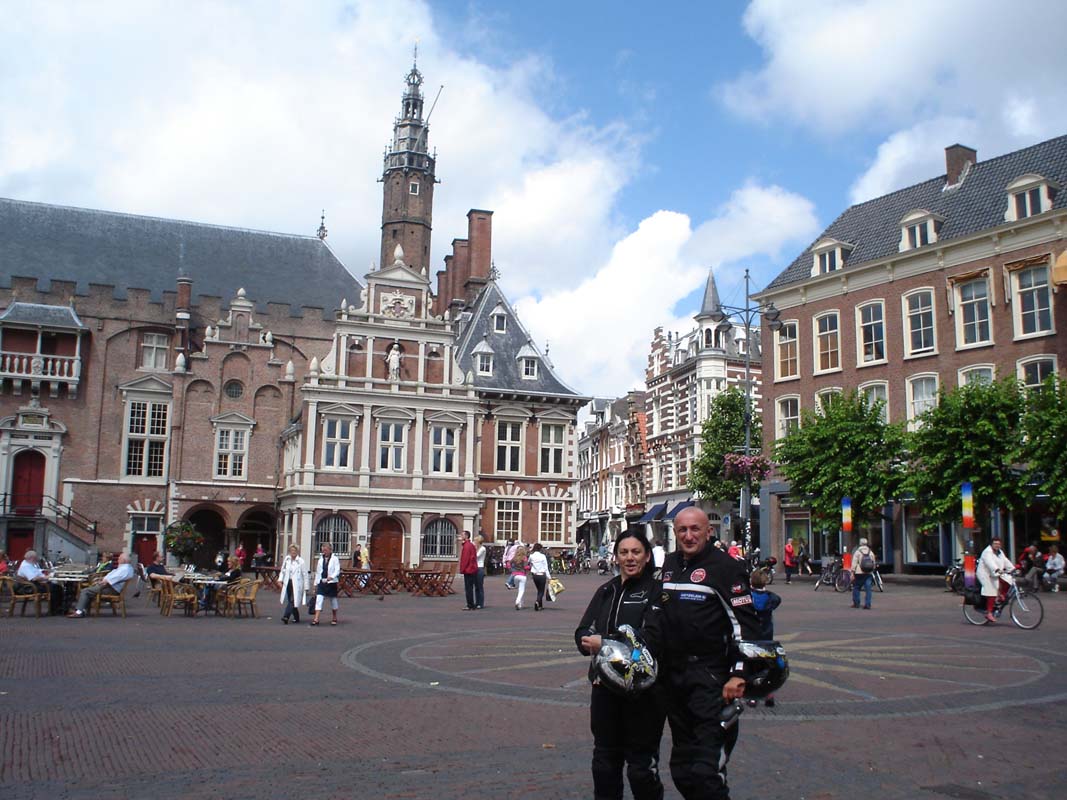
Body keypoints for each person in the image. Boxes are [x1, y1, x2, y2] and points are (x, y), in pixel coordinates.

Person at [642, 507, 761, 800]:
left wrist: (739, 673)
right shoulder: (670, 564)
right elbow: (656, 615)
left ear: (709, 532)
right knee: (682, 770)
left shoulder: (726, 568)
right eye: (682, 530)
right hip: (674, 679)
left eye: (695, 529)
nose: (688, 536)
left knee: (706, 773)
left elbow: (746, 626)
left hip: (711, 678)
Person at [574, 530, 666, 800]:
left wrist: (604, 642)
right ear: (615, 557)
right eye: (624, 552)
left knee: (641, 768)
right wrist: (584, 640)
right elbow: (583, 629)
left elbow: (652, 637)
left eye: (636, 552)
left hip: (643, 692)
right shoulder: (607, 590)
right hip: (604, 688)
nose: (629, 558)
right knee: (604, 761)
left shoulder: (656, 591)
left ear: (647, 556)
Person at [748, 570, 781, 708]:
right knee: (767, 664)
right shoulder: (771, 597)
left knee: (752, 664)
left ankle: (753, 696)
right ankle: (769, 693)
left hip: (752, 634)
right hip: (767, 635)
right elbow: (778, 600)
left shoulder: (749, 597)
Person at [67, 554, 135, 618]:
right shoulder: (127, 568)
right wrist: (102, 580)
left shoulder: (124, 569)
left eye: (119, 558)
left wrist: (101, 582)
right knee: (89, 589)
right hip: (111, 587)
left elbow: (111, 579)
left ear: (123, 560)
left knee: (85, 591)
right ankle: (82, 609)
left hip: (111, 589)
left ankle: (79, 612)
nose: (118, 560)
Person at [978, 537, 1015, 623]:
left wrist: (1013, 569)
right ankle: (989, 613)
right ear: (991, 544)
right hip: (986, 574)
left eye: (998, 544)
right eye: (995, 544)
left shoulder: (1000, 552)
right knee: (991, 591)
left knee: (1008, 580)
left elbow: (1005, 561)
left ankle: (1000, 595)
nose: (997, 545)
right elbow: (990, 563)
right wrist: (997, 569)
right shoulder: (987, 552)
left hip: (995, 573)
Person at [311, 542, 341, 626]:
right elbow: (318, 572)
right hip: (322, 582)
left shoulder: (335, 559)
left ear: (330, 550)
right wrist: (315, 584)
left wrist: (332, 577)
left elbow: (337, 570)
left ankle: (334, 617)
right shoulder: (321, 559)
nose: (324, 552)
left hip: (331, 583)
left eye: (326, 550)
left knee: (333, 600)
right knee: (319, 599)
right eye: (323, 550)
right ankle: (316, 619)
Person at [279, 544, 306, 624]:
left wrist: (306, 586)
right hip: (288, 582)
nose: (293, 552)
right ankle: (296, 617)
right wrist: (280, 580)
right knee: (291, 600)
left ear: (297, 552)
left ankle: (286, 616)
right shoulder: (287, 560)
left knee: (292, 600)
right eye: (292, 550)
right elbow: (282, 571)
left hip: (297, 583)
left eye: (295, 550)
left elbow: (305, 574)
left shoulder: (301, 561)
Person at [851, 538, 876, 609]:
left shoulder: (857, 552)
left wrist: (852, 572)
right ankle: (867, 604)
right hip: (868, 573)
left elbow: (854, 563)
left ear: (860, 544)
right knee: (868, 589)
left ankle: (856, 603)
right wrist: (872, 570)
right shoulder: (870, 552)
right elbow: (873, 562)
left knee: (856, 587)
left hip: (859, 573)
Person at [528, 542, 551, 611]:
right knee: (541, 591)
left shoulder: (531, 556)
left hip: (535, 575)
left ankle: (540, 605)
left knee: (539, 590)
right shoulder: (543, 556)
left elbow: (529, 562)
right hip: (542, 575)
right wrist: (549, 577)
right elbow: (546, 568)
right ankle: (537, 601)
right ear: (540, 549)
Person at [459, 531, 479, 610]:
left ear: (466, 536)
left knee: (468, 588)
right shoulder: (470, 545)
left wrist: (462, 569)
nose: (461, 536)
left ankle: (470, 604)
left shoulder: (467, 546)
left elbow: (465, 559)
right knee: (470, 587)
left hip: (468, 570)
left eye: (462, 535)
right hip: (471, 569)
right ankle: (471, 604)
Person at [511, 545, 529, 610]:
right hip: (522, 575)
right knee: (521, 590)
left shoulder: (514, 558)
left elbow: (509, 564)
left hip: (515, 576)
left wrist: (512, 569)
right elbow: (526, 567)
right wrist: (529, 567)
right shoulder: (524, 558)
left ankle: (520, 604)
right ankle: (517, 601)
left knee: (519, 590)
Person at [473, 535, 487, 609]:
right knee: (476, 586)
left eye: (475, 541)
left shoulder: (482, 548)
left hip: (480, 568)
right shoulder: (476, 548)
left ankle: (480, 603)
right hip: (475, 567)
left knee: (480, 586)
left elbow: (476, 556)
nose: (474, 542)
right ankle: (477, 602)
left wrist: (474, 549)